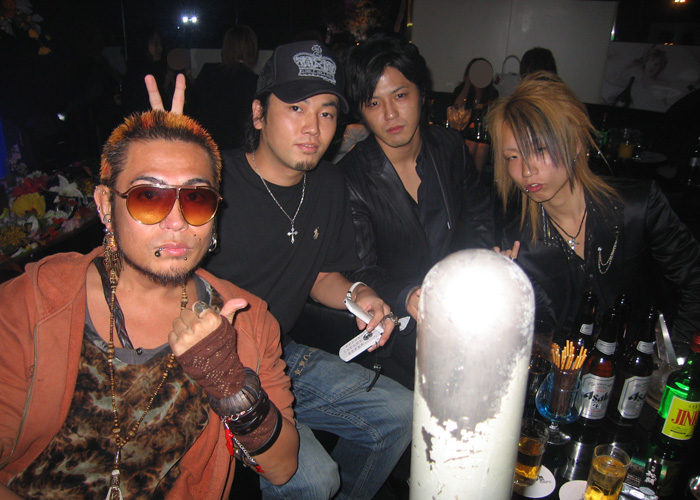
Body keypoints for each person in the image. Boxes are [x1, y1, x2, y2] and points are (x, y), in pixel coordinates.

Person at [154, 41, 413, 499]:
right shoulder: (213, 181)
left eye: (327, 112)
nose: (313, 127)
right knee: (314, 478)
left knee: (401, 412)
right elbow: (157, 263)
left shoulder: (329, 184)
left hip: (280, 353)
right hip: (204, 362)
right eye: (296, 108)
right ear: (259, 114)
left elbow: (322, 276)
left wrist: (359, 295)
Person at [0, 110, 298, 498]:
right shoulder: (33, 304)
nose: (176, 221)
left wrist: (230, 386)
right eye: (149, 196)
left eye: (195, 197)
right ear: (105, 205)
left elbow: (282, 467)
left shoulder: (246, 320)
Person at [487, 71, 700, 343]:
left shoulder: (638, 207)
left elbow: (695, 282)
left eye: (539, 149)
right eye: (513, 156)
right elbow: (546, 328)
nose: (527, 170)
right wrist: (511, 295)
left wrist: (673, 354)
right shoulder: (520, 240)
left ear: (575, 145)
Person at [339, 33, 495, 388]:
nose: (391, 114)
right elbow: (362, 269)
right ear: (361, 111)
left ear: (421, 94)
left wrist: (479, 266)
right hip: (401, 333)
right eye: (374, 103)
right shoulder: (351, 178)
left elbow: (480, 214)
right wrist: (406, 294)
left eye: (400, 95)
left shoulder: (449, 147)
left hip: (465, 312)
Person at [191, 24, 259, 150]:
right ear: (252, 50)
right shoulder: (254, 81)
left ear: (226, 47)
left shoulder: (209, 71)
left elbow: (195, 105)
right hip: (238, 149)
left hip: (206, 144)